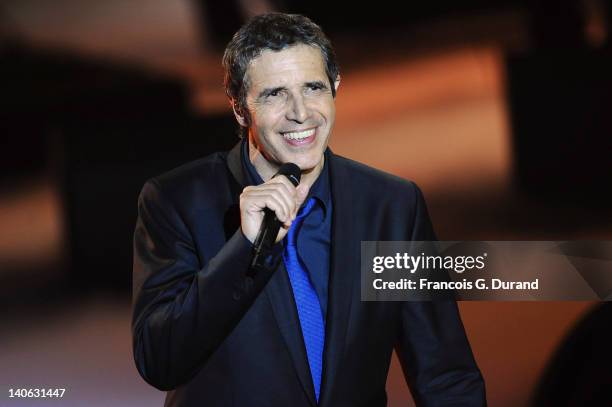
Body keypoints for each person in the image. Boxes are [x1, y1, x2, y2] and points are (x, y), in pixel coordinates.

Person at [132, 12, 486, 407]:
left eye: (313, 88)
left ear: (335, 87)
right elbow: (160, 360)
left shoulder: (391, 206)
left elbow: (446, 375)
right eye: (275, 94)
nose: (300, 112)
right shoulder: (177, 200)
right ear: (238, 107)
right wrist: (244, 249)